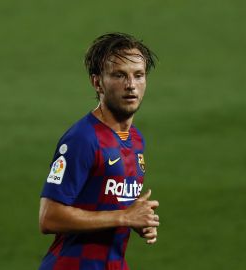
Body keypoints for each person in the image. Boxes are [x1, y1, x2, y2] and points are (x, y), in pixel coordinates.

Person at [38, 32, 160, 270]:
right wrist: (124, 217)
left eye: (138, 75)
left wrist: (137, 220)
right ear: (97, 82)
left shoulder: (135, 139)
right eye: (119, 75)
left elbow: (107, 203)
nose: (131, 85)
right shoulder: (83, 139)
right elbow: (49, 217)